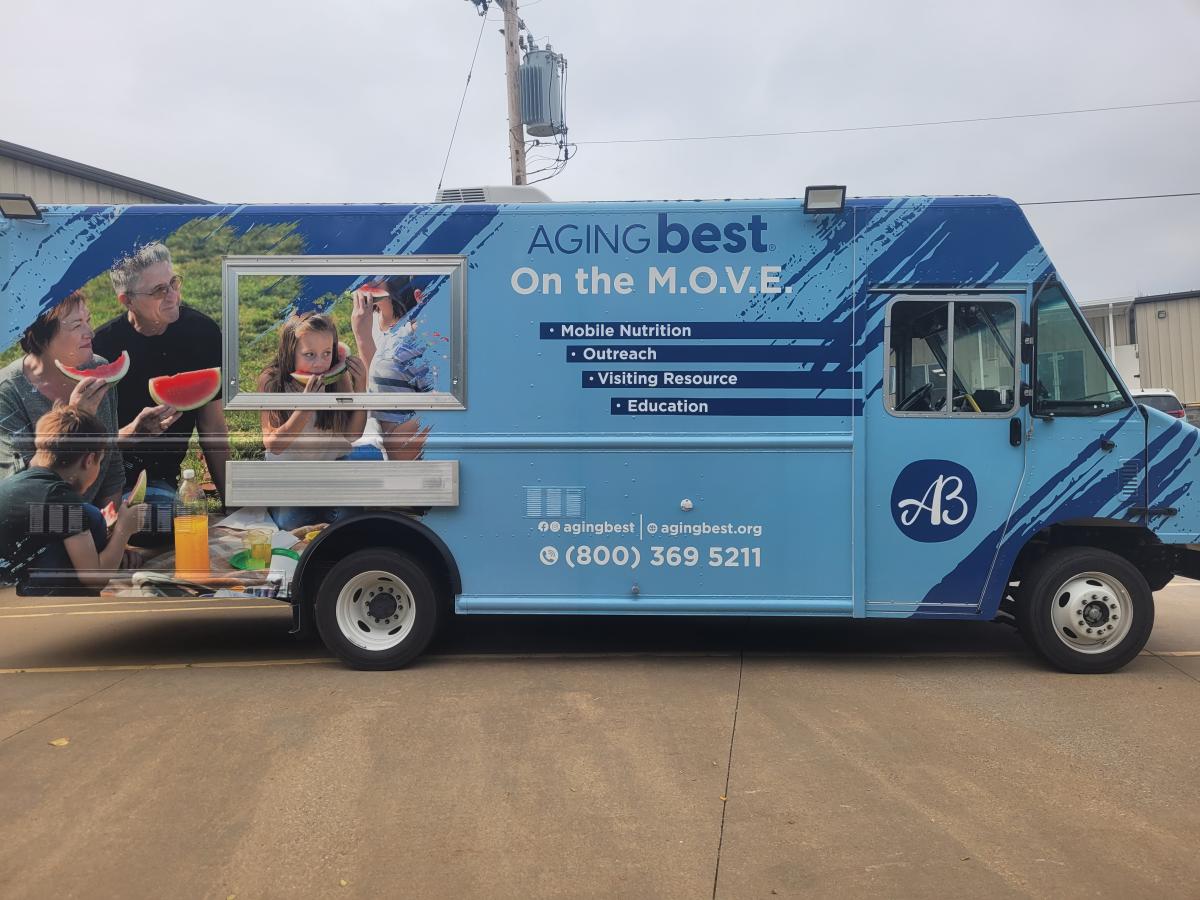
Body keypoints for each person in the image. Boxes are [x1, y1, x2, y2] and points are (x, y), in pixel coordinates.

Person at [92, 242, 230, 512]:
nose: (172, 296)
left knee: (161, 524)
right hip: (104, 479)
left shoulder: (202, 333)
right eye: (158, 290)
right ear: (127, 300)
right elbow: (91, 443)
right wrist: (133, 432)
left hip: (159, 480)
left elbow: (212, 425)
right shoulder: (102, 348)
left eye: (173, 283)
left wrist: (233, 504)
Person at [0, 290, 154, 508]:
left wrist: (110, 521)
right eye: (76, 325)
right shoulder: (8, 392)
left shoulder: (98, 370)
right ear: (42, 338)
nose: (90, 333)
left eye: (88, 321)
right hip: (37, 520)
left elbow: (111, 461)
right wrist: (73, 420)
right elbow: (21, 486)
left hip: (92, 517)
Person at [0, 405, 145, 595]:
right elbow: (94, 580)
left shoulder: (11, 484)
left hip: (8, 600)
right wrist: (123, 530)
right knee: (92, 517)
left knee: (91, 517)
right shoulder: (61, 498)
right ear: (89, 460)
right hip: (39, 607)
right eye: (99, 462)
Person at [257, 312, 367, 530]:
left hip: (331, 469)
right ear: (290, 353)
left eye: (327, 353)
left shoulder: (337, 376)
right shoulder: (272, 381)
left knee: (351, 518)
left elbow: (352, 435)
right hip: (289, 474)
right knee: (292, 522)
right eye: (310, 355)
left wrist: (361, 387)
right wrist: (305, 408)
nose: (320, 364)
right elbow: (273, 444)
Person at [351, 275, 433, 460]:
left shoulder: (414, 329)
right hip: (374, 431)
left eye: (377, 277)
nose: (366, 282)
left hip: (396, 436)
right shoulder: (371, 317)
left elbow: (380, 382)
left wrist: (362, 336)